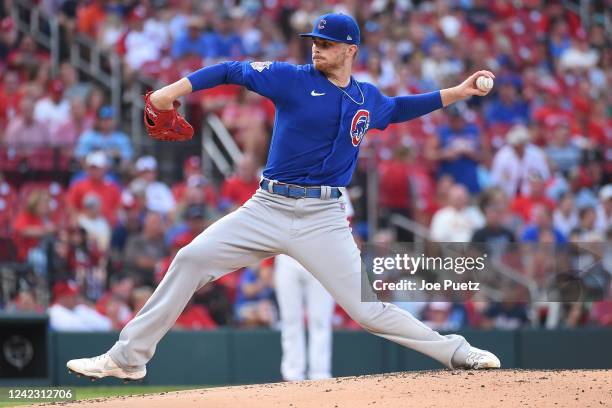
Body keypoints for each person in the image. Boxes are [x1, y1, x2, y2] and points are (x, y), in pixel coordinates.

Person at [67, 13, 500, 381]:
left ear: (350, 50)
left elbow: (401, 108)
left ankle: (458, 353)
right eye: (314, 41)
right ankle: (127, 359)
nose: (316, 49)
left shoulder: (366, 96)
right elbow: (231, 70)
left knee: (370, 311)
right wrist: (169, 92)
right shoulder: (291, 79)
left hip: (324, 218)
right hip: (268, 207)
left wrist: (460, 92)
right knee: (190, 259)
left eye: (327, 44)